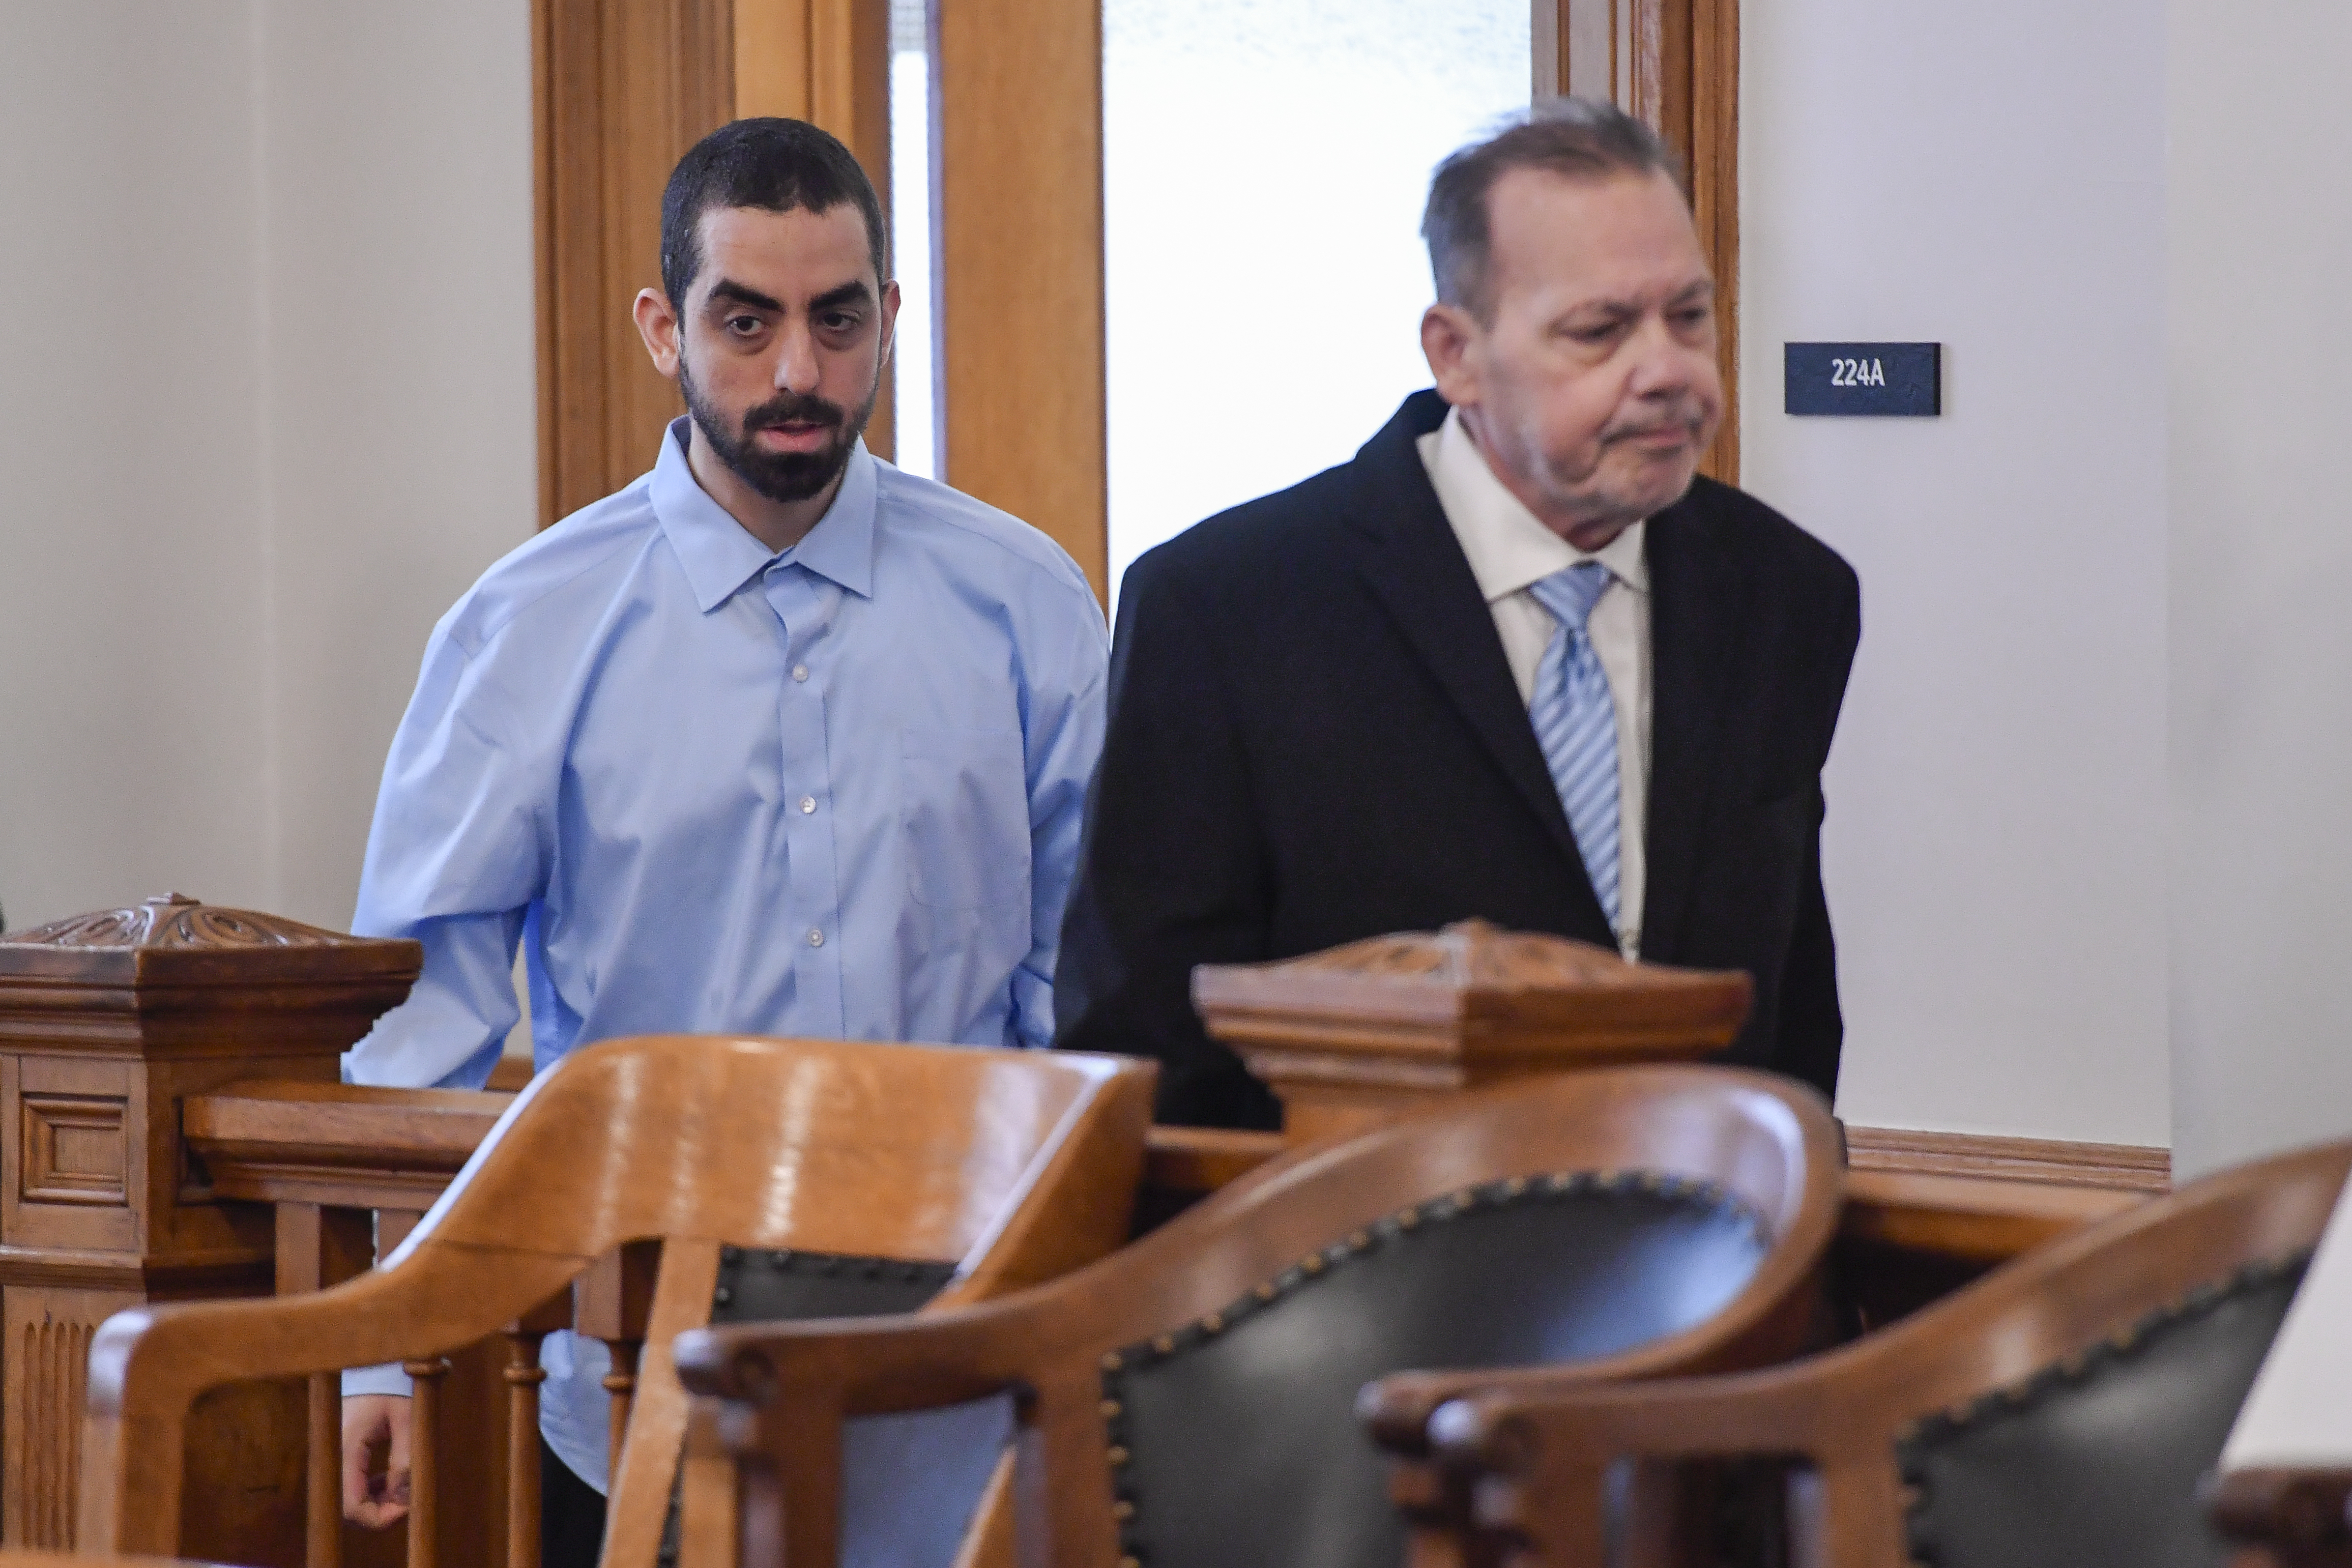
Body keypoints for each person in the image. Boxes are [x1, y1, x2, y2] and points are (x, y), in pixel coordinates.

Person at [337, 118, 1106, 1563]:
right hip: (628, 1383)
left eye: (836, 318)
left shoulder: (1030, 606)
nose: (798, 373)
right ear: (662, 327)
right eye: (744, 322)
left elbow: (1087, 984)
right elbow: (419, 1024)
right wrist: (382, 1352)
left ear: (889, 318)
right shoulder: (524, 632)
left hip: (967, 1380)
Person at [1057, 98, 1861, 1128]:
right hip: (1351, 1260)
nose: (1665, 370)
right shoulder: (1228, 607)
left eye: (1688, 316)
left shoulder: (1785, 593)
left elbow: (1791, 1008)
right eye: (1599, 329)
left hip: (1706, 1254)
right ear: (1455, 354)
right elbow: (1143, 1048)